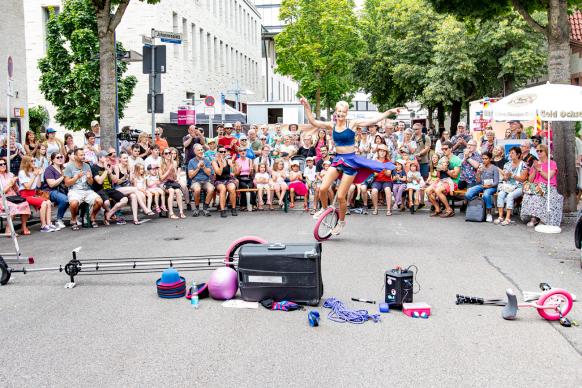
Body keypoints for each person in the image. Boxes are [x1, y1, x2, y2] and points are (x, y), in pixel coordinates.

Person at [301, 96, 401, 234]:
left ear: (346, 112)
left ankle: (341, 222)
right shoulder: (332, 125)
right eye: (338, 111)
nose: (340, 114)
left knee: (341, 196)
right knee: (322, 188)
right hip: (338, 160)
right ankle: (325, 209)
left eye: (343, 111)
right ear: (336, 112)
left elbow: (373, 120)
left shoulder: (352, 124)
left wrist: (389, 111)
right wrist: (306, 106)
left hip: (351, 162)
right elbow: (313, 121)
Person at [520, 144, 563, 228]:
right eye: (537, 151)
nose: (538, 152)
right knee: (528, 196)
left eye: (541, 151)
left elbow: (548, 177)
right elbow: (530, 180)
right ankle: (534, 218)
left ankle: (542, 220)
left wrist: (540, 169)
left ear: (546, 152)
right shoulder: (535, 164)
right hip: (536, 187)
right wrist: (535, 170)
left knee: (538, 197)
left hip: (549, 186)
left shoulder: (552, 163)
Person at [63, 148, 103, 230]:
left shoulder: (87, 166)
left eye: (84, 154)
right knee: (74, 203)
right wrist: (76, 177)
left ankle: (92, 218)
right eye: (81, 155)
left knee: (99, 201)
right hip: (75, 191)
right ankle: (74, 220)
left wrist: (89, 178)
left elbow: (91, 183)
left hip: (87, 190)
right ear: (75, 156)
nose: (83, 156)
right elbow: (66, 183)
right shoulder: (69, 167)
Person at [113, 152, 153, 224]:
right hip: (119, 188)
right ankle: (144, 208)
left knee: (134, 196)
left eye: (127, 158)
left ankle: (135, 219)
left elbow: (131, 180)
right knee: (135, 189)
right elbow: (116, 182)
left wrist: (132, 175)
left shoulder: (128, 167)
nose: (126, 159)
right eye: (124, 158)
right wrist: (124, 177)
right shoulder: (117, 167)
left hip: (128, 188)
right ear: (120, 159)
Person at [18, 156, 55, 233]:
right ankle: (43, 225)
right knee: (43, 203)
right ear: (26, 163)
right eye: (32, 161)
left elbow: (38, 185)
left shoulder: (33, 171)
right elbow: (27, 187)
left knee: (48, 201)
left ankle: (48, 223)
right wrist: (34, 175)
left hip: (32, 194)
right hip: (25, 195)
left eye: (34, 161)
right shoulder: (22, 173)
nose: (34, 163)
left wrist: (39, 175)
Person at [425, 141, 461, 218]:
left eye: (445, 149)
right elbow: (438, 175)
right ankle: (437, 209)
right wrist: (438, 170)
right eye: (442, 149)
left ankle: (449, 210)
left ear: (451, 149)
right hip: (442, 180)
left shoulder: (456, 159)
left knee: (438, 190)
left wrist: (446, 170)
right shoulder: (441, 159)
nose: (444, 150)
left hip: (452, 182)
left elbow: (455, 176)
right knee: (427, 190)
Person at [92, 151, 129, 225]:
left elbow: (115, 180)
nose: (107, 158)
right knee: (106, 202)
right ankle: (111, 214)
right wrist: (106, 170)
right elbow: (99, 181)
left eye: (107, 157)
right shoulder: (94, 167)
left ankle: (110, 213)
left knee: (125, 199)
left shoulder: (109, 166)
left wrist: (110, 172)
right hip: (100, 189)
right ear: (99, 158)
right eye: (105, 157)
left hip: (109, 189)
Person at [495, 146, 528, 226]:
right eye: (510, 153)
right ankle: (500, 216)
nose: (510, 154)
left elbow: (523, 179)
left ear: (518, 154)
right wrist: (505, 176)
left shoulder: (523, 164)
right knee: (500, 195)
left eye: (512, 153)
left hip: (519, 186)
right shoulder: (507, 164)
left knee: (510, 196)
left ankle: (508, 218)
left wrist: (512, 175)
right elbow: (505, 179)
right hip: (508, 186)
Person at [464, 151, 499, 222]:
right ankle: (479, 202)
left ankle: (489, 213)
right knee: (468, 193)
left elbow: (496, 182)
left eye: (486, 159)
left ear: (490, 159)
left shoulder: (494, 168)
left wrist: (488, 186)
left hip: (491, 187)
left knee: (486, 194)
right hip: (482, 185)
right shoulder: (481, 167)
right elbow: (478, 181)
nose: (484, 160)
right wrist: (478, 173)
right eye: (483, 159)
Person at [0, 159, 31, 236]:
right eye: (0, 164)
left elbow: (17, 189)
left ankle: (23, 227)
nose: (3, 165)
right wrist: (10, 184)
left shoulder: (10, 174)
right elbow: (2, 192)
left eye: (4, 164)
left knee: (25, 204)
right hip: (3, 198)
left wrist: (14, 184)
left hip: (13, 196)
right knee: (13, 206)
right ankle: (8, 229)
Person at [43, 152, 69, 230]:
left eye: (61, 157)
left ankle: (75, 219)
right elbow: (51, 184)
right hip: (50, 191)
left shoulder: (63, 168)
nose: (60, 159)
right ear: (53, 160)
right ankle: (58, 219)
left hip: (63, 190)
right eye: (57, 157)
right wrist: (62, 176)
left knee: (74, 197)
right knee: (65, 199)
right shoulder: (49, 169)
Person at [366, 144, 393, 215]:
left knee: (387, 189)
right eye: (381, 151)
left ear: (386, 153)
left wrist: (382, 167)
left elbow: (388, 174)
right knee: (374, 191)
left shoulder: (388, 162)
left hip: (387, 181)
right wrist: (376, 172)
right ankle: (375, 208)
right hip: (377, 180)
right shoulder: (374, 161)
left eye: (384, 151)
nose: (382, 152)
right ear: (378, 152)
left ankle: (389, 209)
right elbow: (373, 174)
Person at [188, 144, 214, 217]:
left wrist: (204, 167)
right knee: (197, 189)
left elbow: (209, 174)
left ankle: (205, 208)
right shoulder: (191, 161)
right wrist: (198, 167)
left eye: (201, 150)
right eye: (198, 150)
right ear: (195, 151)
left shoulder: (206, 160)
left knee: (211, 188)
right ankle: (196, 208)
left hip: (206, 181)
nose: (201, 151)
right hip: (195, 181)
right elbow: (190, 176)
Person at [160, 147, 186, 219]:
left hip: (171, 182)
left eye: (169, 153)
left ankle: (181, 212)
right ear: (163, 155)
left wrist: (173, 170)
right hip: (164, 183)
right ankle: (171, 213)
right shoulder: (161, 164)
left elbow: (174, 177)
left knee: (178, 191)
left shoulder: (174, 163)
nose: (168, 155)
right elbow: (161, 178)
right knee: (171, 191)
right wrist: (169, 170)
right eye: (166, 153)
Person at [212, 147, 238, 217]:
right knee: (223, 189)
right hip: (219, 180)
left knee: (232, 188)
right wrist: (220, 164)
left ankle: (233, 208)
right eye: (221, 152)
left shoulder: (228, 160)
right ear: (217, 153)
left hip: (228, 179)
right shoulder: (214, 161)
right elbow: (219, 173)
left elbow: (235, 172)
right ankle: (222, 210)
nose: (223, 153)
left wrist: (234, 164)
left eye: (224, 152)